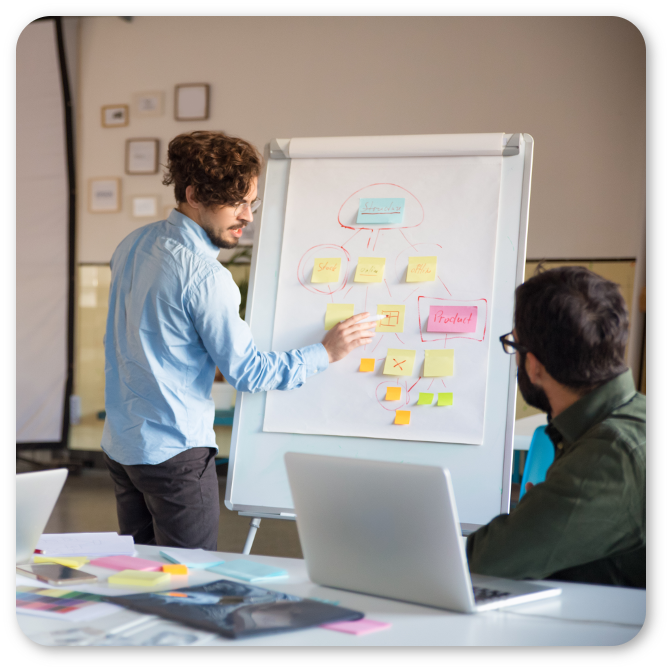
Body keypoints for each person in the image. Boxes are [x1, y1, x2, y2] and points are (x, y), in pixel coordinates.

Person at [101, 130, 375, 551]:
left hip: (122, 448)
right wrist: (326, 352)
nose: (247, 216)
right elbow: (248, 373)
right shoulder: (205, 276)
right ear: (194, 195)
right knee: (189, 579)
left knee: (142, 574)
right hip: (175, 453)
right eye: (236, 203)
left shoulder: (133, 244)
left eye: (252, 202)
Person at [467, 266, 645, 587]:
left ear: (534, 365)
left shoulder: (610, 453)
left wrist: (532, 522)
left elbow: (486, 560)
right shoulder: (634, 418)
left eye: (515, 346)